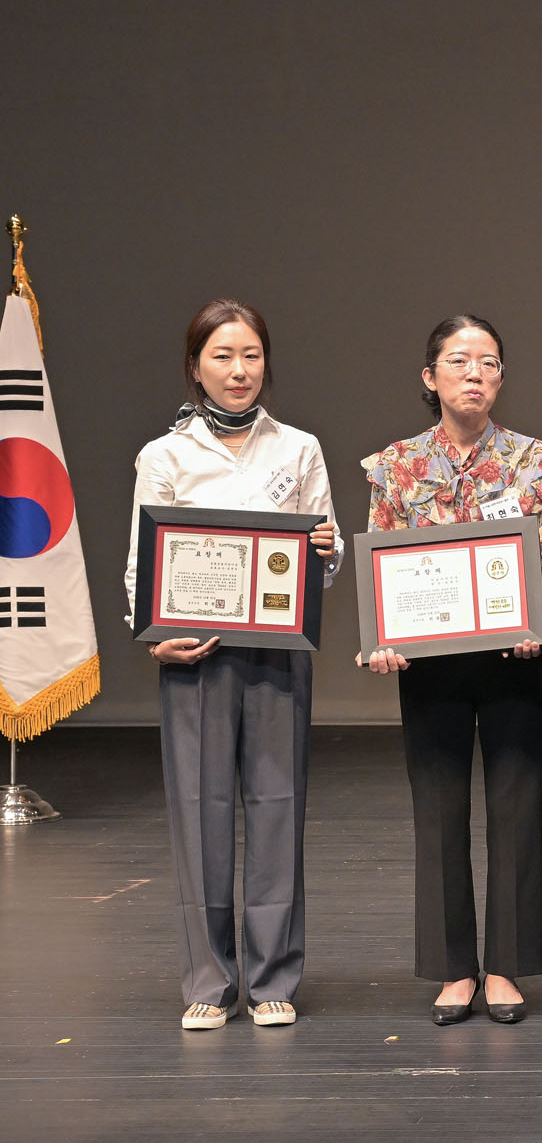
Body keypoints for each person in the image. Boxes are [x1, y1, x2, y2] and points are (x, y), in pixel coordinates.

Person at [124, 299, 340, 1030]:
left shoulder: (299, 449)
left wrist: (327, 550)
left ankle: (274, 976)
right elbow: (142, 565)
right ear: (195, 367)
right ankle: (209, 981)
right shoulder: (165, 456)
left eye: (251, 354)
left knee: (278, 807)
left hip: (279, 651)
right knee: (199, 813)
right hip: (195, 656)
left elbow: (324, 557)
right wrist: (153, 637)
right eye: (222, 355)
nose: (239, 369)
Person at [360, 315, 542, 1025]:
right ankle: (454, 969)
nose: (474, 372)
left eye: (488, 361)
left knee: (516, 808)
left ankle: (505, 966)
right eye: (458, 360)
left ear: (501, 377)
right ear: (431, 377)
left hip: (516, 658)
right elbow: (384, 558)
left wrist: (540, 615)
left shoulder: (537, 461)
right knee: (438, 811)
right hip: (431, 665)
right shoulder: (395, 466)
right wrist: (383, 637)